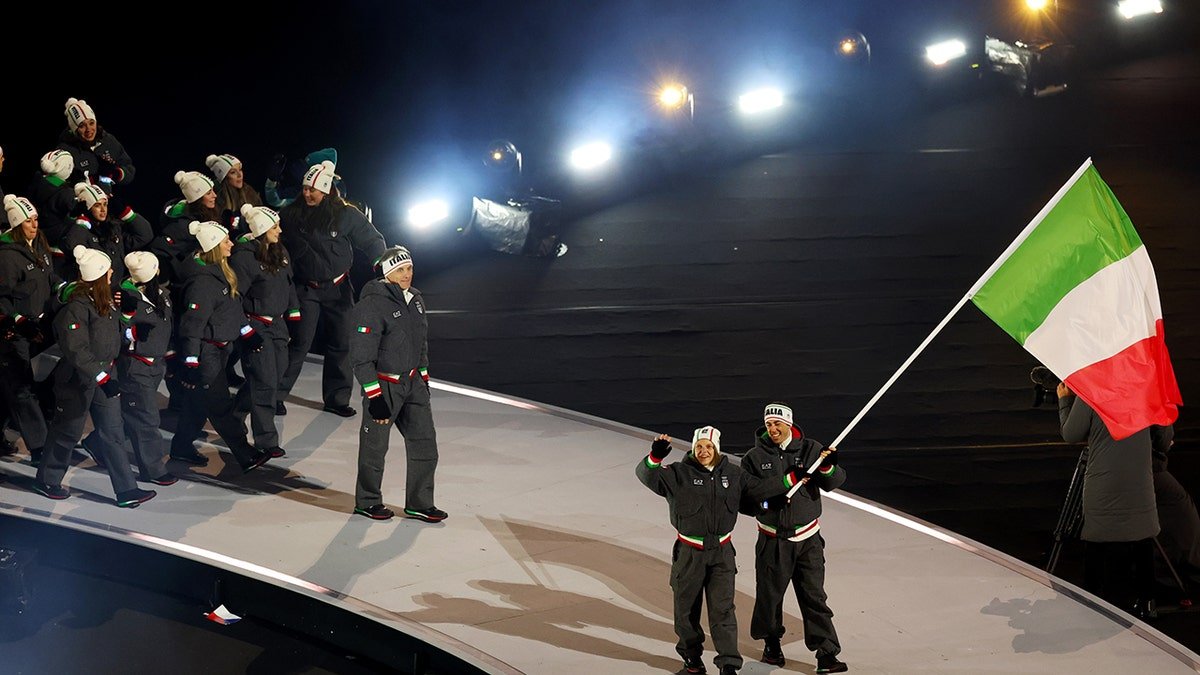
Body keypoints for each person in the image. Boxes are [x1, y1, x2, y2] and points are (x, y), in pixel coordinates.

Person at [637, 426, 803, 675]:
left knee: (723, 610)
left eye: (708, 447)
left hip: (722, 555)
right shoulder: (677, 473)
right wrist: (655, 456)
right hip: (689, 553)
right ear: (693, 449)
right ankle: (692, 660)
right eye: (699, 447)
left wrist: (789, 481)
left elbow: (759, 491)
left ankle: (728, 664)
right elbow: (645, 474)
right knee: (685, 610)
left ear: (717, 449)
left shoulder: (734, 475)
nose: (704, 452)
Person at [32, 245, 156, 507]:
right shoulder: (76, 308)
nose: (113, 272)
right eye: (108, 269)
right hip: (79, 381)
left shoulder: (105, 301)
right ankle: (46, 480)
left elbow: (112, 335)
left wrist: (130, 320)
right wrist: (103, 378)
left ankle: (126, 490)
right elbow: (77, 351)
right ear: (99, 274)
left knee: (112, 432)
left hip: (103, 377)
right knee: (67, 432)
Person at [741, 403, 847, 673]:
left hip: (808, 540)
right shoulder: (753, 457)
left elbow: (834, 482)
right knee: (769, 597)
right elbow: (748, 498)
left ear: (790, 423)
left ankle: (826, 653)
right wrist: (775, 495)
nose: (773, 429)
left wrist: (828, 468)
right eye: (768, 425)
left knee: (814, 596)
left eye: (778, 424)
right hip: (772, 541)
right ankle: (772, 644)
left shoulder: (811, 449)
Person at [278, 160, 385, 418]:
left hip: (338, 289)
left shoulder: (345, 213)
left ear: (325, 190)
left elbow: (372, 239)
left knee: (342, 343)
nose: (306, 194)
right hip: (306, 289)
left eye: (312, 190)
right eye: (304, 189)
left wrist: (380, 264)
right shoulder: (291, 214)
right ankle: (275, 395)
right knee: (299, 343)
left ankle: (336, 399)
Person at [349, 245, 445, 522]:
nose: (407, 274)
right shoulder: (371, 304)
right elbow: (361, 356)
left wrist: (423, 377)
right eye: (401, 270)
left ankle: (420, 503)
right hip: (385, 387)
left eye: (410, 268)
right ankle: (367, 502)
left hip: (413, 383)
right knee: (374, 449)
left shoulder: (415, 299)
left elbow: (421, 342)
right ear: (388, 272)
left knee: (426, 446)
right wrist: (374, 396)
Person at [171, 220, 271, 473]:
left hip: (221, 349)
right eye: (226, 240)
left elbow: (233, 309)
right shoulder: (202, 284)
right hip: (207, 354)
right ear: (214, 246)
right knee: (220, 406)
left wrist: (247, 334)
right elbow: (192, 327)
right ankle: (245, 454)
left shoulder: (222, 272)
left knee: (197, 404)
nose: (232, 243)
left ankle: (181, 447)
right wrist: (191, 363)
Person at [1058, 382, 1160, 619]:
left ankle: (1100, 608)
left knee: (1100, 545)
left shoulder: (1093, 389)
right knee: (1143, 538)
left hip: (1104, 489)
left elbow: (1071, 434)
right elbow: (1165, 435)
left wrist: (1064, 400)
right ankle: (1147, 605)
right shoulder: (1146, 388)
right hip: (1140, 486)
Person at [229, 205, 298, 459]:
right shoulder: (245, 259)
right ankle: (266, 440)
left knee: (275, 376)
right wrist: (245, 330)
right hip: (256, 326)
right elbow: (235, 298)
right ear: (261, 230)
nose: (280, 230)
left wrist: (294, 310)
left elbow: (288, 283)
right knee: (265, 380)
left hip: (277, 324)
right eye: (274, 226)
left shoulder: (279, 250)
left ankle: (235, 413)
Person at [0, 196, 61, 467]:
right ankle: (40, 448)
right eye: (28, 221)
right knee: (21, 389)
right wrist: (17, 320)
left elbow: (51, 279)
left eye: (35, 219)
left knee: (20, 388)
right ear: (16, 224)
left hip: (39, 330)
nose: (34, 225)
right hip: (14, 333)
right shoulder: (7, 257)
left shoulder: (39, 246)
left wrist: (70, 289)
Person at [116, 251, 178, 485]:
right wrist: (131, 332)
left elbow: (167, 328)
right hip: (136, 367)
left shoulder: (162, 294)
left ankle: (95, 444)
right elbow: (114, 332)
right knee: (147, 418)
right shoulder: (124, 299)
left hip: (156, 364)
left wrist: (170, 356)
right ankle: (152, 469)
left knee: (133, 414)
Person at [63, 182, 152, 283]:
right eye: (97, 205)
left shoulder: (113, 228)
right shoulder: (81, 231)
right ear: (87, 208)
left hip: (117, 287)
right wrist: (82, 222)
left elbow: (144, 236)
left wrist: (126, 213)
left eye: (105, 204)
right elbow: (72, 247)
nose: (103, 210)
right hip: (98, 291)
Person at [56, 98, 135, 189]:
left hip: (114, 198)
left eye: (91, 123)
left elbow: (129, 167)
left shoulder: (108, 140)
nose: (88, 129)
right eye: (82, 126)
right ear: (74, 130)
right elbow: (60, 187)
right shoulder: (65, 151)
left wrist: (117, 174)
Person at [26, 149, 78, 246]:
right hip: (57, 237)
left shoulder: (36, 181)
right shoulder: (65, 192)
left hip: (36, 232)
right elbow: (73, 213)